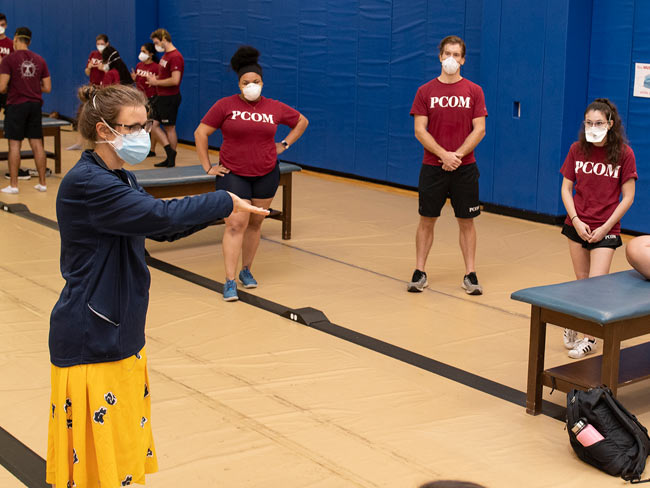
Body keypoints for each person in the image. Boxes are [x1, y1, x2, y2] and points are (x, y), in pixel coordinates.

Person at [46, 84, 268, 488]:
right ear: (103, 132)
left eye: (144, 124)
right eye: (131, 127)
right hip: (92, 334)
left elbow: (159, 228)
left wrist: (220, 214)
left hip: (121, 329)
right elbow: (158, 216)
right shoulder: (88, 184)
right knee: (98, 465)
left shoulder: (119, 176)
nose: (142, 134)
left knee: (124, 453)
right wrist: (225, 201)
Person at [194, 45, 309, 301]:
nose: (251, 85)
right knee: (236, 224)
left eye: (255, 81)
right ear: (239, 85)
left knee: (255, 222)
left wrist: (285, 144)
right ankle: (229, 280)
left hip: (266, 173)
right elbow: (200, 133)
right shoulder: (225, 106)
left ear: (262, 82)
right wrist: (207, 166)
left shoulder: (275, 107)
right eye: (246, 82)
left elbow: (302, 121)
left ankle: (247, 270)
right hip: (233, 173)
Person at [408, 35, 487, 295]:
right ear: (439, 56)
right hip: (433, 167)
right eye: (447, 54)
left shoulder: (474, 91)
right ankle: (419, 271)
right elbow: (420, 130)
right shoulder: (425, 91)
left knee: (467, 221)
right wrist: (443, 154)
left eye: (457, 54)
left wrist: (458, 156)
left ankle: (470, 273)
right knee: (426, 219)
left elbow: (480, 129)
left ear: (463, 59)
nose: (451, 59)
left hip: (465, 168)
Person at [560, 98, 637, 358]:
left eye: (599, 123)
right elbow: (566, 188)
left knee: (595, 285)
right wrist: (576, 220)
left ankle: (589, 338)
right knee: (582, 283)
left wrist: (605, 227)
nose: (594, 127)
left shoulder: (624, 154)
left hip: (606, 229)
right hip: (577, 224)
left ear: (610, 124)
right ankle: (575, 321)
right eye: (589, 123)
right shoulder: (576, 150)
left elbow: (628, 197)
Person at [0, 26, 51, 194]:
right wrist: (31, 85)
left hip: (16, 105)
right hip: (35, 106)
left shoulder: (9, 60)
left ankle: (14, 185)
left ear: (15, 39)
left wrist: (15, 85)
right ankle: (42, 183)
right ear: (29, 41)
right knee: (37, 143)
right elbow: (47, 87)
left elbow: (1, 87)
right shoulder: (40, 60)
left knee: (14, 144)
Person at [147, 28, 183, 167]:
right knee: (153, 125)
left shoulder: (175, 57)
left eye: (157, 42)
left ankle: (171, 156)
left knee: (169, 128)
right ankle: (169, 152)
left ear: (164, 39)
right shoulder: (165, 56)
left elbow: (175, 80)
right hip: (160, 96)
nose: (156, 45)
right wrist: (154, 79)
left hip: (170, 97)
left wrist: (156, 82)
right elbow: (165, 76)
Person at [131, 42, 160, 157]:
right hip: (139, 98)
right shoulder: (139, 65)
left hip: (152, 98)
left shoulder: (156, 67)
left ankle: (152, 149)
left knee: (150, 124)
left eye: (144, 51)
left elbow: (158, 81)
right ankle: (141, 146)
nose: (141, 54)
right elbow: (138, 81)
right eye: (141, 51)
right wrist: (134, 79)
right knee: (139, 123)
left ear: (151, 54)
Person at [0, 13, 14, 114]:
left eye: (2, 25)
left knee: (11, 114)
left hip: (7, 85)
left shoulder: (12, 44)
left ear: (6, 25)